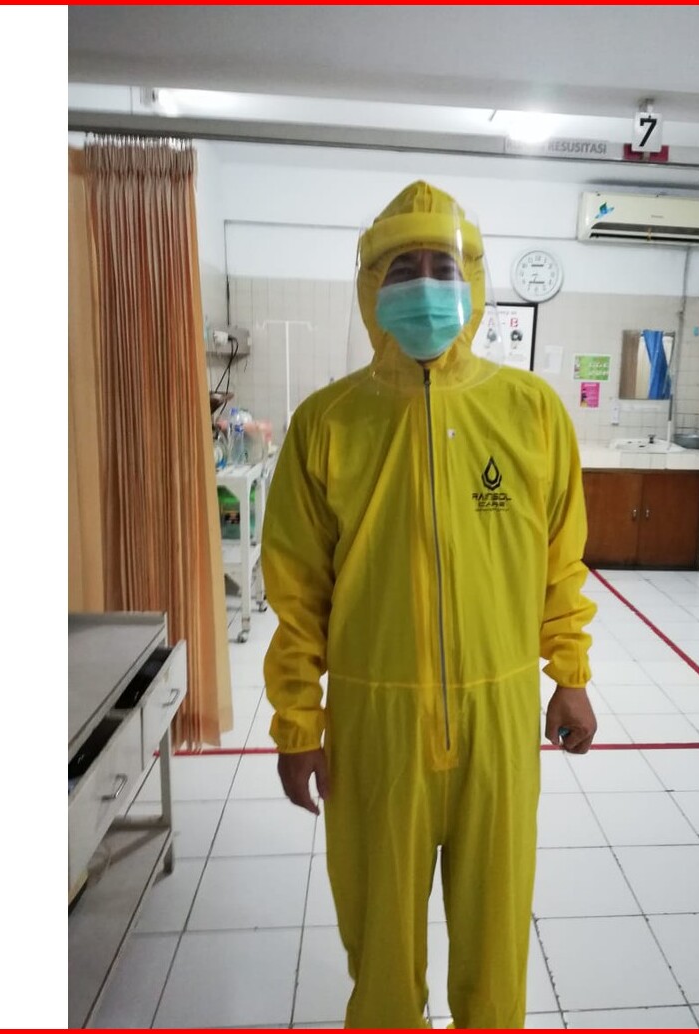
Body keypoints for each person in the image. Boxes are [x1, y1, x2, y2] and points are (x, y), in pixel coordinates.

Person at [261, 180, 597, 1029]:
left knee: (495, 940)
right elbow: (295, 591)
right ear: (371, 287)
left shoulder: (530, 412)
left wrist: (570, 674)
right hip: (375, 729)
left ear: (471, 281)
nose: (423, 284)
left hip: (500, 719)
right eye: (401, 268)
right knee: (379, 941)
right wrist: (299, 723)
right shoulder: (327, 422)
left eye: (440, 266)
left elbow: (561, 561)